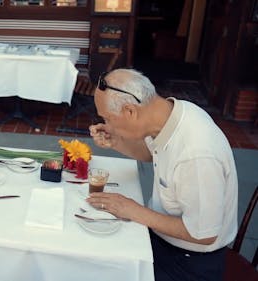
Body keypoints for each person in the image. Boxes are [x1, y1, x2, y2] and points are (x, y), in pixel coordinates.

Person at [87, 68, 238, 281]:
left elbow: (203, 234)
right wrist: (117, 140)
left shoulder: (196, 154)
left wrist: (132, 210)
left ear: (130, 112)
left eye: (108, 118)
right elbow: (150, 153)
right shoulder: (170, 114)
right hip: (162, 239)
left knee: (103, 271)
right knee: (98, 254)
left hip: (190, 263)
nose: (106, 124)